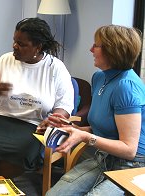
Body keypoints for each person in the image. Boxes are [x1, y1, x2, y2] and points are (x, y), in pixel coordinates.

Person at [0, 17, 74, 179]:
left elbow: (65, 105)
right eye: (14, 41)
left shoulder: (55, 67)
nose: (14, 46)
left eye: (22, 44)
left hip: (32, 125)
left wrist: (54, 118)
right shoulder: (5, 60)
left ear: (38, 47)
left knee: (12, 162)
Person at [46, 25, 145, 195]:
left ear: (113, 50)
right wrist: (73, 129)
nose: (91, 49)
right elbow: (103, 127)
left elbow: (129, 150)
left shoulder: (126, 86)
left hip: (132, 166)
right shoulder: (99, 77)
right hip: (103, 157)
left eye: (96, 45)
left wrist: (84, 136)